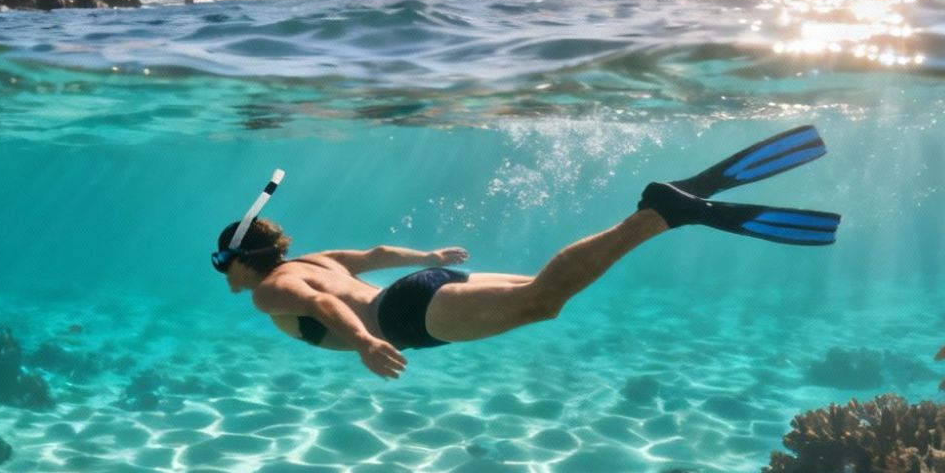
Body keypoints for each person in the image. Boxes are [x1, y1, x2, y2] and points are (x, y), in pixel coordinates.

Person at [211, 127, 839, 379]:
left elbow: (321, 307)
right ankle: (675, 208)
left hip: (404, 321)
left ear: (242, 257)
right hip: (420, 289)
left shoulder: (272, 289)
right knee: (545, 294)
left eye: (222, 265)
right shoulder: (315, 256)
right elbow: (374, 252)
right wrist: (432, 251)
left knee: (544, 300)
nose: (225, 278)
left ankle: (661, 213)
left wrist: (369, 344)